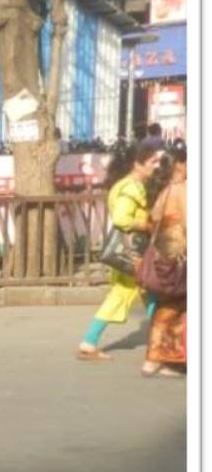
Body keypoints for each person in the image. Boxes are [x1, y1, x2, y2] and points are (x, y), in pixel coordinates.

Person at [77, 142, 162, 361]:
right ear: (138, 164)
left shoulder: (125, 185)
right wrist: (148, 224)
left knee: (150, 295)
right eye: (153, 162)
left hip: (130, 254)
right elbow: (122, 219)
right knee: (147, 295)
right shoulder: (131, 187)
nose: (156, 166)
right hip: (133, 254)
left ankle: (161, 342)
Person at [142, 142, 186, 378]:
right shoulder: (183, 189)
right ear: (180, 165)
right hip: (181, 255)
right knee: (176, 308)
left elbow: (153, 219)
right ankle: (168, 360)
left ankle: (158, 359)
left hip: (164, 255)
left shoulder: (164, 189)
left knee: (167, 307)